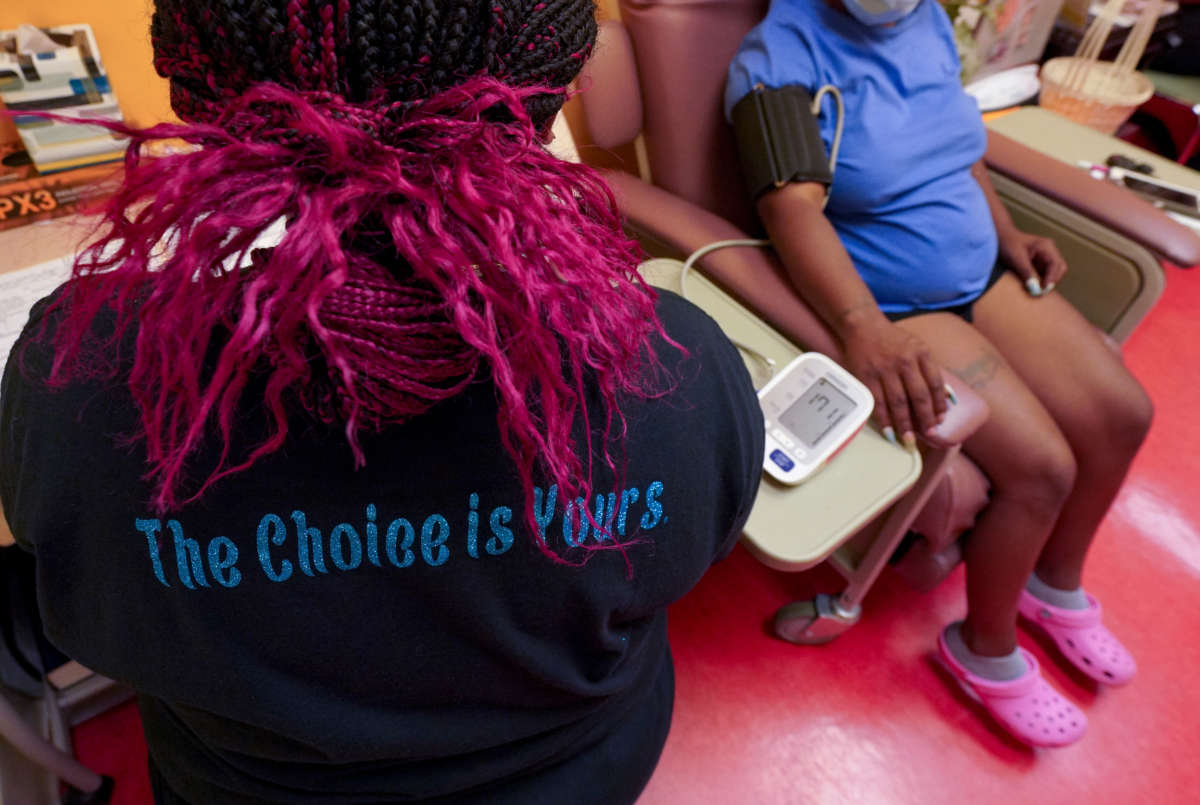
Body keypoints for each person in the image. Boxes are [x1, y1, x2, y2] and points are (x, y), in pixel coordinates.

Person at [0, 1, 764, 802]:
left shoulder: (80, 386)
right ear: (561, 79)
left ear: (195, 91)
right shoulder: (673, 369)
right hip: (579, 775)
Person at [726, 0, 1153, 747]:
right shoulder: (779, 59)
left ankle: (1050, 587)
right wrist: (864, 328)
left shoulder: (922, 21)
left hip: (978, 268)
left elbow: (957, 145)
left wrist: (1007, 230)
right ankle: (984, 653)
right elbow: (790, 208)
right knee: (1043, 467)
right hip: (892, 304)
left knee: (1122, 411)